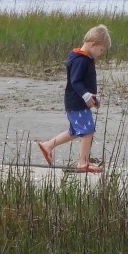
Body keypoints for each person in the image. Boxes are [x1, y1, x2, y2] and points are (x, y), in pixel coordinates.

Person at [36, 24, 111, 173]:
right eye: (101, 50)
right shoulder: (80, 60)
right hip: (76, 103)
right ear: (93, 44)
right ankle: (82, 163)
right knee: (88, 131)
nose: (101, 53)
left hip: (77, 102)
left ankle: (48, 145)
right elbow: (75, 81)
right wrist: (86, 95)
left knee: (75, 131)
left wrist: (92, 97)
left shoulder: (83, 58)